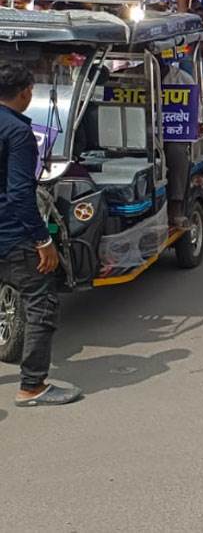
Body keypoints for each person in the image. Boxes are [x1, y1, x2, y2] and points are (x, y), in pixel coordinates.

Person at [0, 64, 79, 407]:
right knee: (40, 302)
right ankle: (32, 386)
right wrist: (43, 241)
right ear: (25, 92)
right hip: (13, 235)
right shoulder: (17, 132)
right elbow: (20, 193)